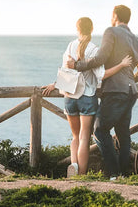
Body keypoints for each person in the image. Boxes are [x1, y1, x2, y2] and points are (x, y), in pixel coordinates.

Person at [42, 17, 132, 177]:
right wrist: (121, 65)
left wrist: (54, 84)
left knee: (75, 137)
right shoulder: (94, 49)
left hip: (70, 97)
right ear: (91, 30)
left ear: (77, 29)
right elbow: (102, 75)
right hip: (87, 97)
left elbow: (66, 71)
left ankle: (73, 166)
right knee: (84, 136)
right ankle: (81, 175)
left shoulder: (70, 46)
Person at [67, 5, 138, 178]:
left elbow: (100, 59)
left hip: (114, 92)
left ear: (115, 16)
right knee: (123, 134)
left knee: (100, 130)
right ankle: (122, 175)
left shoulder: (111, 32)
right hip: (131, 92)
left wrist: (77, 65)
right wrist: (129, 81)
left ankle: (114, 174)